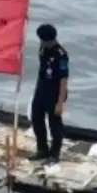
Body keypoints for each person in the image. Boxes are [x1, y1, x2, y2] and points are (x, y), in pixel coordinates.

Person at [28, 23, 69, 162]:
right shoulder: (42, 49)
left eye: (42, 40)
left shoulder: (61, 55)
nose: (40, 42)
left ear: (49, 40)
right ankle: (42, 149)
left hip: (55, 91)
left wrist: (60, 102)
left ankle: (54, 154)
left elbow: (64, 79)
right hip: (42, 88)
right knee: (36, 117)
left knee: (54, 123)